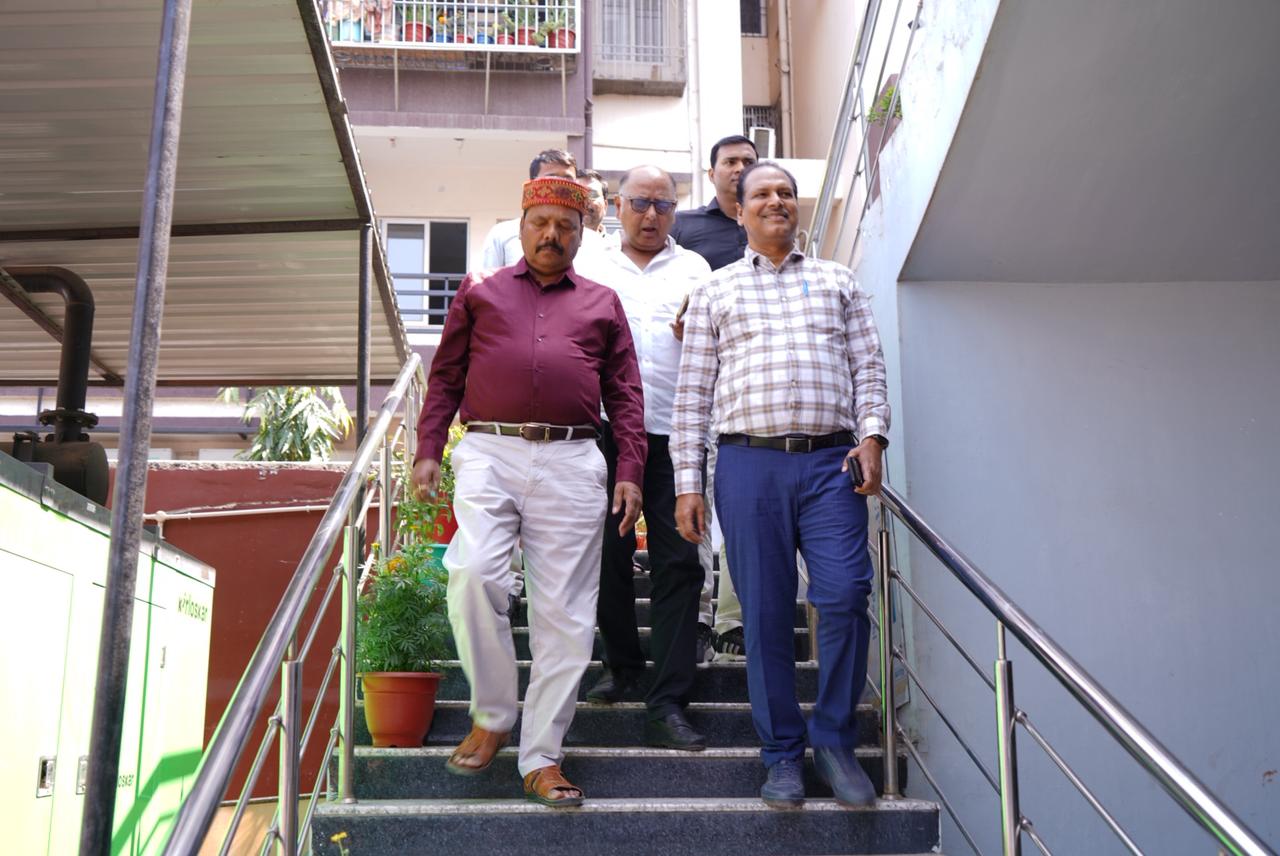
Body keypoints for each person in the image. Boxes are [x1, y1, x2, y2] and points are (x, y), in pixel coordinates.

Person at [413, 176, 646, 808]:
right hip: (490, 449)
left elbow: (626, 392)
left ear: (581, 235)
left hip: (573, 458)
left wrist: (630, 467)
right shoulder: (479, 290)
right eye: (540, 223)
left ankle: (542, 758)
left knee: (566, 616)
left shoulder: (602, 302)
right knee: (472, 573)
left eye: (565, 226)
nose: (551, 235)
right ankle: (493, 714)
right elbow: (446, 376)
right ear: (520, 227)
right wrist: (429, 447)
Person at [670, 162, 891, 810]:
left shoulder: (838, 281)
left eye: (786, 193)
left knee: (845, 594)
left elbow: (869, 368)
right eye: (762, 194)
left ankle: (835, 741)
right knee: (765, 614)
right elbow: (692, 396)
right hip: (749, 465)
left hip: (831, 465)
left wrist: (873, 436)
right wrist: (688, 484)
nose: (776, 201)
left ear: (797, 207)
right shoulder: (715, 291)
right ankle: (782, 756)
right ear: (738, 211)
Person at [574, 166, 713, 750]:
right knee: (606, 552)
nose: (651, 215)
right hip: (604, 430)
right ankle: (623, 664)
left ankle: (670, 699)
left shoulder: (697, 270)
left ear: (675, 210)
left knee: (679, 560)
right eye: (639, 203)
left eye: (663, 205)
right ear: (616, 206)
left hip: (677, 433)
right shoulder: (589, 264)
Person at [670, 134, 759, 664]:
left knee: (742, 511)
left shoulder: (766, 228)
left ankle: (733, 621)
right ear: (712, 172)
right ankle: (699, 615)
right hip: (694, 384)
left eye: (748, 161)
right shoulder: (685, 228)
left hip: (749, 391)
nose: (739, 168)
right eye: (730, 161)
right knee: (694, 499)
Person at [479, 149, 577, 268]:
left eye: (568, 181)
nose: (560, 187)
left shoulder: (592, 241)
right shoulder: (502, 234)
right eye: (551, 179)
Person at [577, 169, 610, 235]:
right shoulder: (556, 240)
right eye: (578, 195)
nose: (584, 201)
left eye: (592, 194)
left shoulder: (616, 241)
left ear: (605, 206)